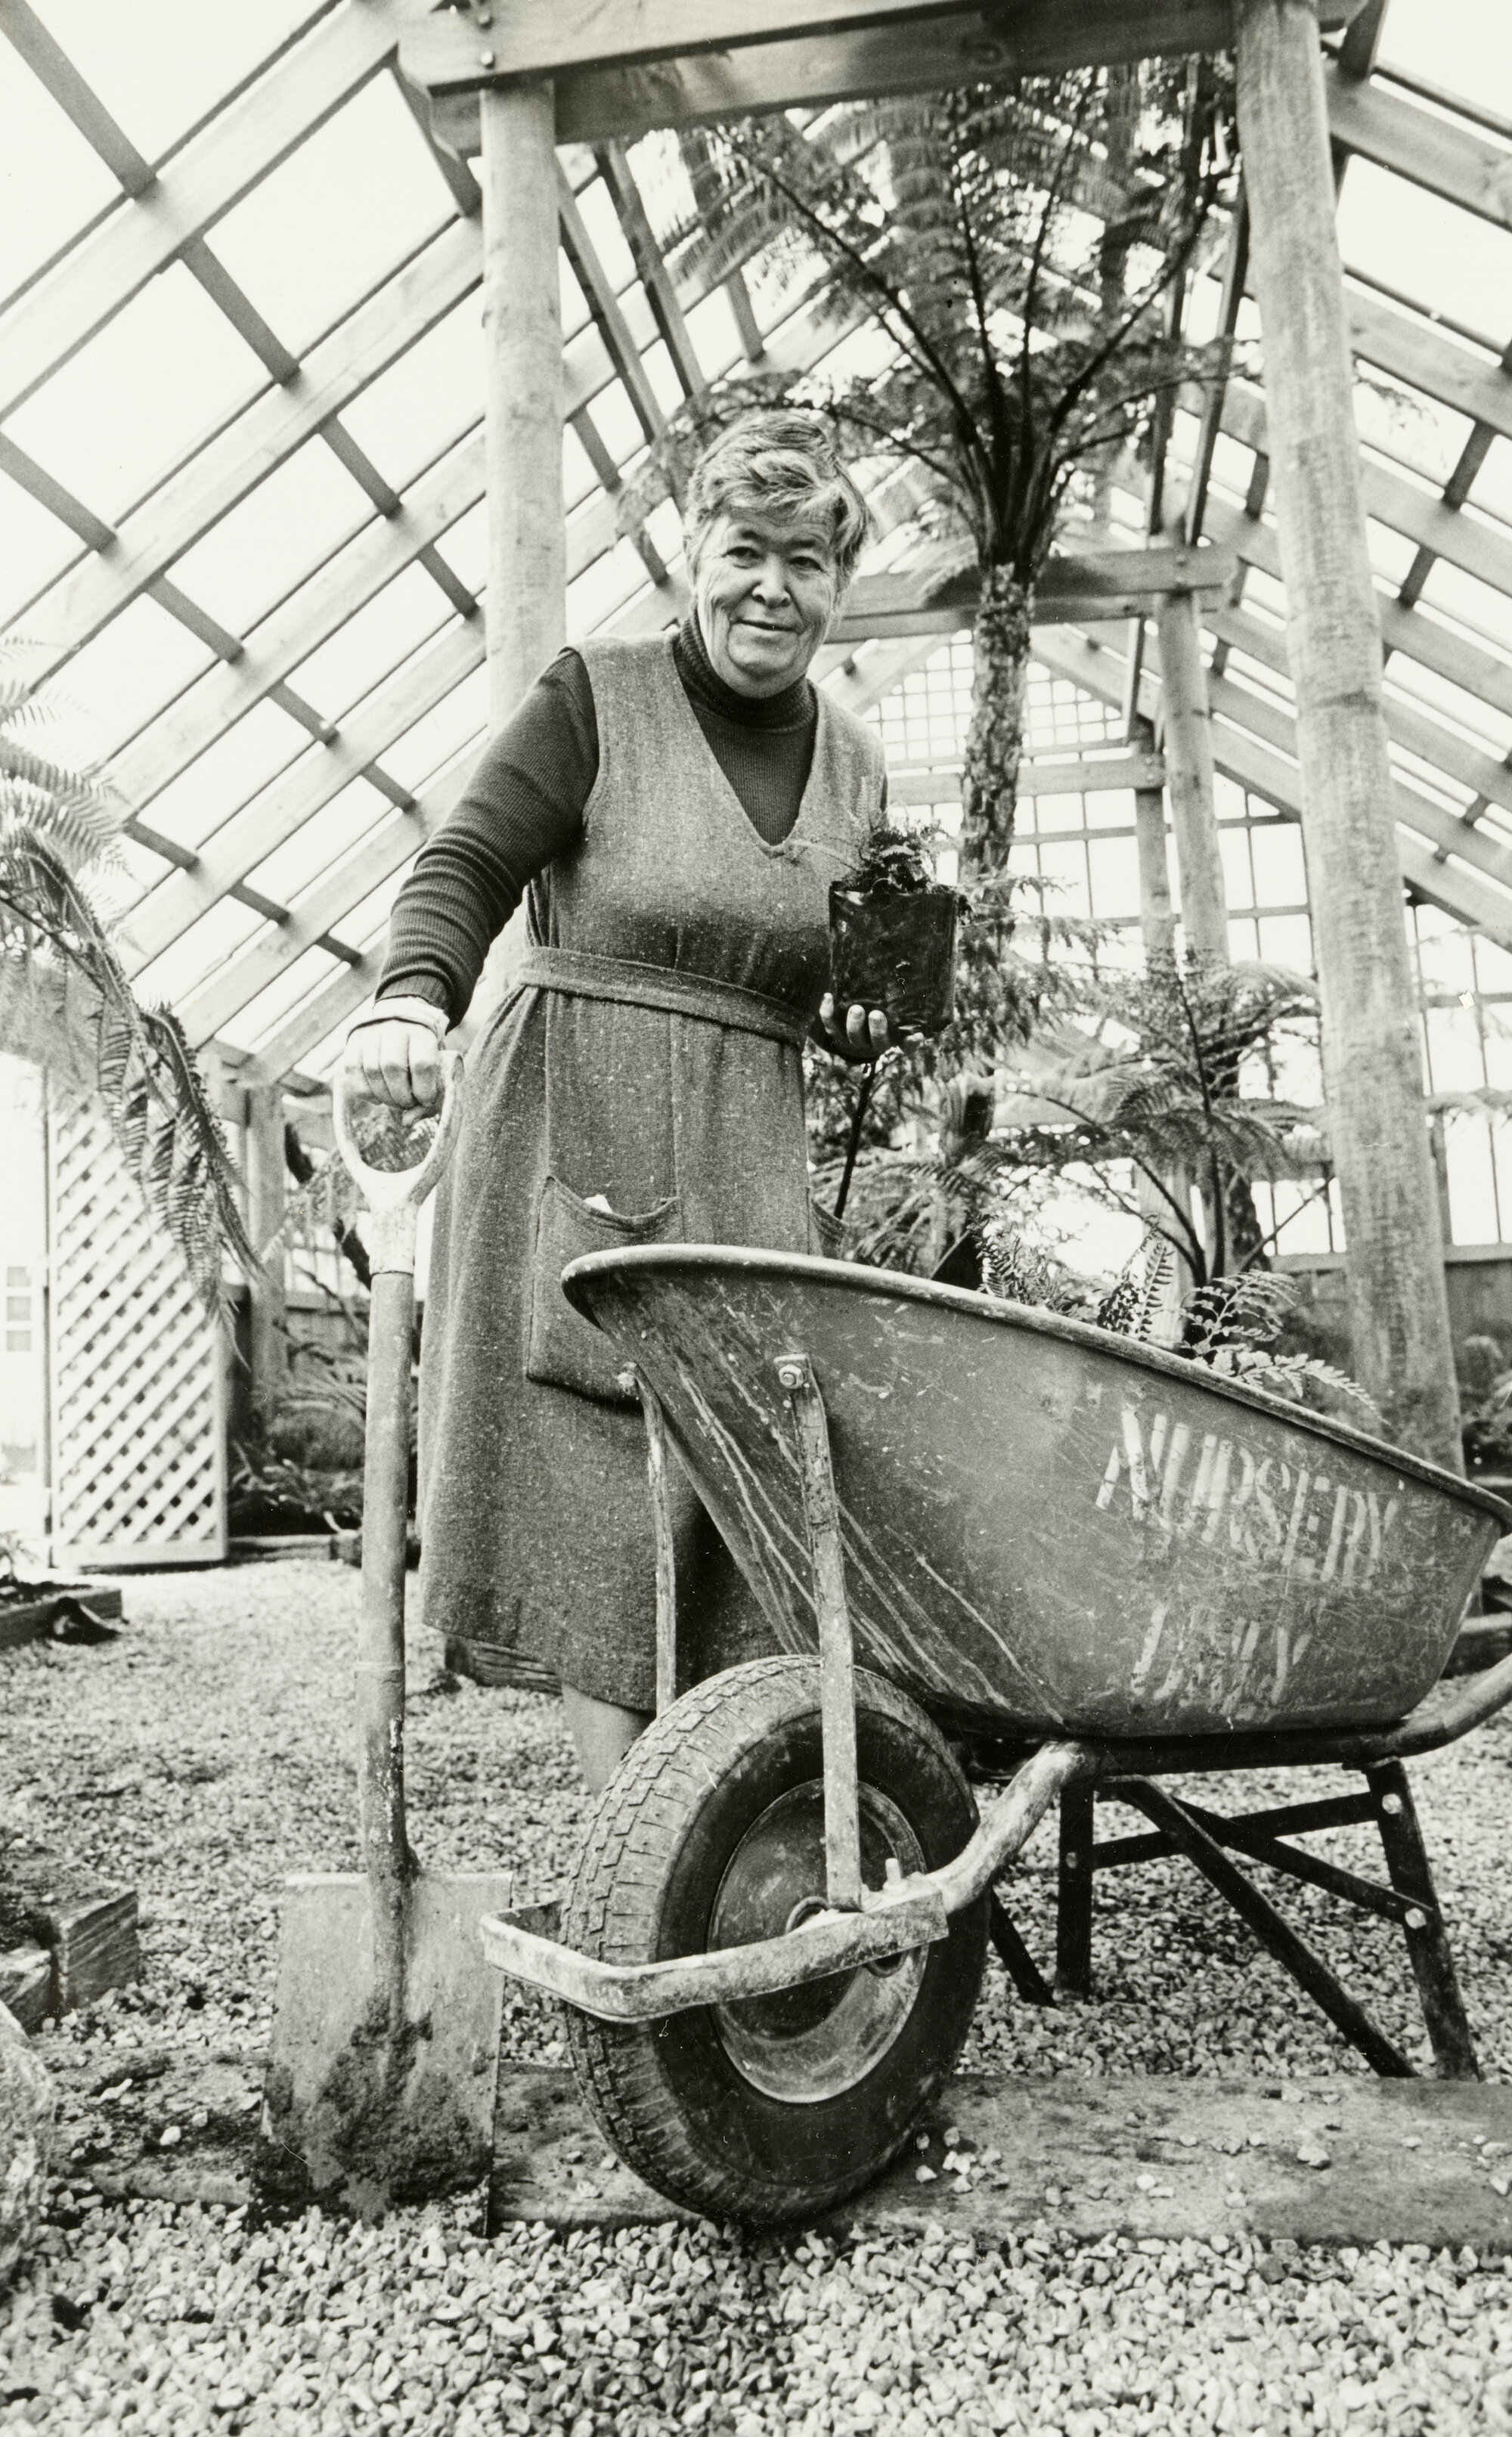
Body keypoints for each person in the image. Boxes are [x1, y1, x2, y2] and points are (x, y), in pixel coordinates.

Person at [341, 411, 889, 1792]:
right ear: (694, 550)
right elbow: (468, 860)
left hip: (748, 1135)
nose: (772, 588)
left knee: (742, 1470)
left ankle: (709, 1812)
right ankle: (630, 1836)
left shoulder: (857, 761)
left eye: (807, 561)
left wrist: (863, 1014)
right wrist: (411, 999)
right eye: (746, 550)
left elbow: (841, 968)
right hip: (581, 1108)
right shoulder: (601, 693)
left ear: (840, 582)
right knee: (603, 1464)